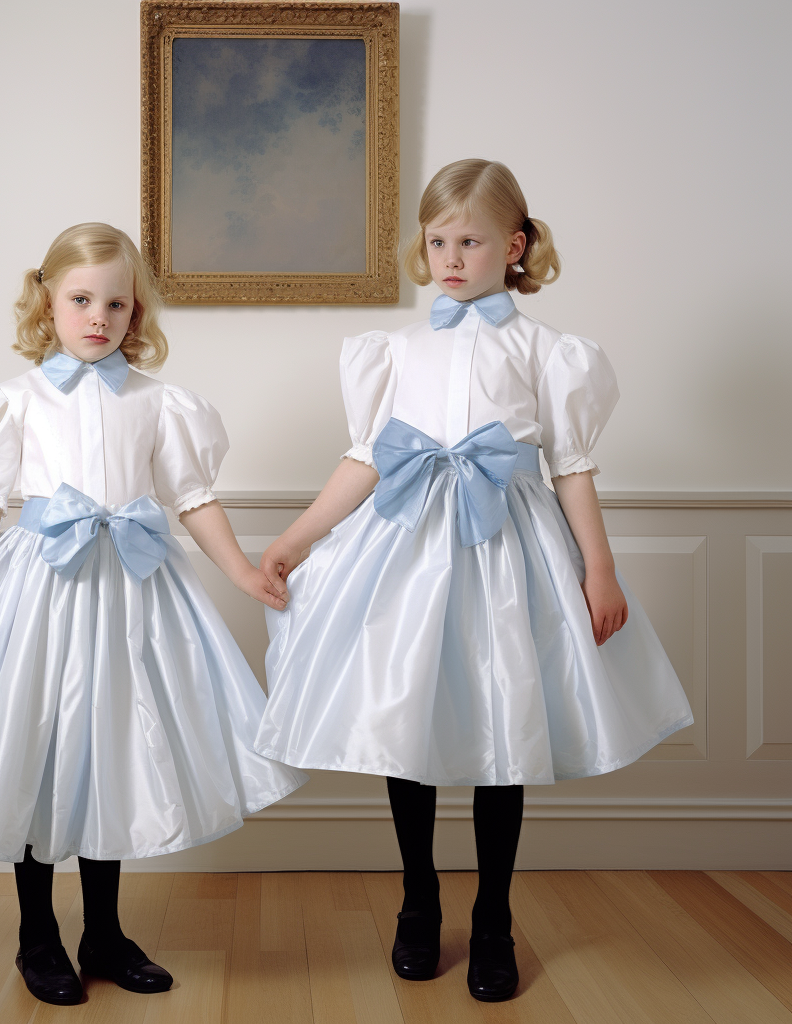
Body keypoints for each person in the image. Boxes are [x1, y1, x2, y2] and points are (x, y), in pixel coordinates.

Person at [0, 222, 307, 1006]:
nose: (98, 316)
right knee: (35, 750)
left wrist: (242, 569)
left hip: (130, 595)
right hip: (38, 593)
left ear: (136, 311)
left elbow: (192, 499)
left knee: (110, 751)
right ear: (47, 299)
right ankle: (36, 935)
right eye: (80, 299)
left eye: (116, 302)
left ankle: (103, 934)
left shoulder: (159, 403)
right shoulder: (12, 402)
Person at [255, 160, 692, 1001]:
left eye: (471, 241)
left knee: (504, 729)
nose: (451, 257)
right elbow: (364, 461)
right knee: (403, 719)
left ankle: (494, 914)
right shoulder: (396, 351)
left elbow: (570, 466)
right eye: (438, 241)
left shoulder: (548, 351)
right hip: (408, 551)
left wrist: (599, 568)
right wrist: (297, 539)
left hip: (505, 553)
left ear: (514, 245)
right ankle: (419, 900)